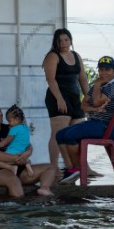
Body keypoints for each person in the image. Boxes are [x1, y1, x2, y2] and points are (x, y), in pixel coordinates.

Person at [56, 56, 114, 184]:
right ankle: (71, 169)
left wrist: (97, 85)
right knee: (60, 135)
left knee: (70, 135)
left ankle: (78, 169)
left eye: (107, 70)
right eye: (101, 70)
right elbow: (83, 106)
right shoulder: (96, 87)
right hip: (94, 123)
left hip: (105, 127)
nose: (103, 73)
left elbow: (98, 101)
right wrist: (94, 109)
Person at [0, 101, 56, 197]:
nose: (0, 114)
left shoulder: (10, 128)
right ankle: (19, 210)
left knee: (50, 167)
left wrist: (27, 152)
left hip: (18, 166)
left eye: (0, 111)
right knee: (13, 180)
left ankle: (44, 188)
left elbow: (26, 143)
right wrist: (16, 158)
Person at [42, 28, 90, 170]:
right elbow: (50, 79)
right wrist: (59, 99)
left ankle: (81, 167)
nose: (63, 43)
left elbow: (83, 79)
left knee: (78, 135)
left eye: (66, 39)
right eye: (60, 40)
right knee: (58, 134)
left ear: (70, 40)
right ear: (56, 42)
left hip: (75, 98)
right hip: (57, 97)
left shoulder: (76, 55)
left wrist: (88, 97)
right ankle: (54, 167)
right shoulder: (52, 56)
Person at [0, 105, 34, 178]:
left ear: (16, 119)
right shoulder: (25, 128)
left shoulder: (13, 129)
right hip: (22, 153)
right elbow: (19, 141)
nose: (9, 123)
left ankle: (12, 168)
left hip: (12, 154)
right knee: (21, 158)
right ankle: (27, 164)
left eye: (10, 121)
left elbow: (5, 142)